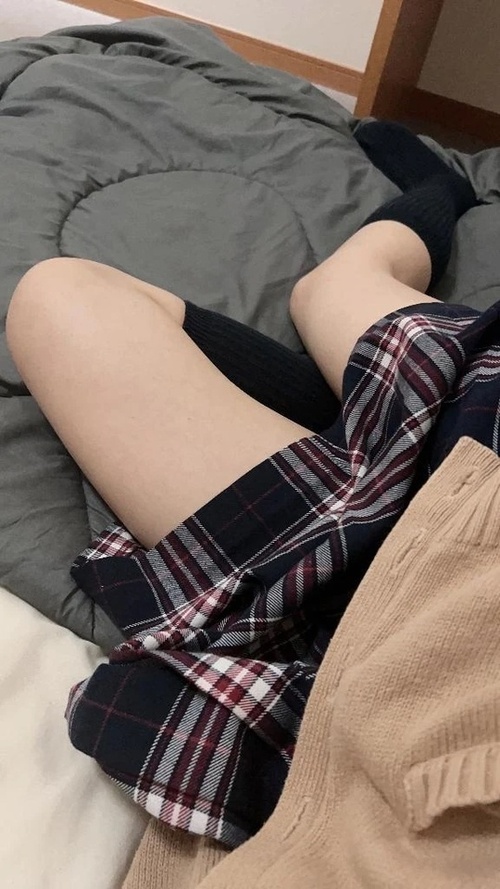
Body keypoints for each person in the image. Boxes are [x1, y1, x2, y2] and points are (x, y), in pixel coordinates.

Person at [5, 122, 499, 847]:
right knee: (331, 292)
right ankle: (440, 194)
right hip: (470, 435)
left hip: (375, 590)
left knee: (62, 295)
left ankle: (364, 405)